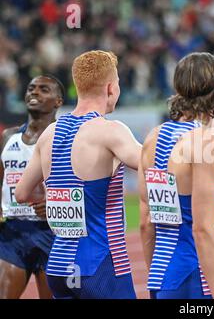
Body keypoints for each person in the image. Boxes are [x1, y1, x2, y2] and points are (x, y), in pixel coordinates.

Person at [15, 50, 141, 299]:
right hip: (101, 265)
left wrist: (57, 197)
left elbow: (21, 193)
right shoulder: (109, 131)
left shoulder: (49, 133)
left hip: (59, 266)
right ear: (110, 88)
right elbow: (152, 163)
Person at [139, 52, 214, 299]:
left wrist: (156, 276)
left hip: (161, 275)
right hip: (194, 277)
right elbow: (202, 229)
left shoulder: (153, 138)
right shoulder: (206, 143)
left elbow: (146, 222)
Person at [0, 75, 63, 299]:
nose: (34, 92)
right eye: (31, 88)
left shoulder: (66, 139)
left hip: (53, 234)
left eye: (43, 89)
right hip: (14, 233)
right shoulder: (8, 137)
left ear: (58, 101)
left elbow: (84, 185)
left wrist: (56, 205)